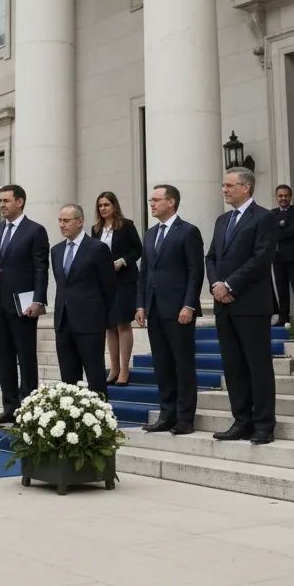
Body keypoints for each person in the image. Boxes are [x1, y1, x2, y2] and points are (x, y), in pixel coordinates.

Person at [206, 167, 278, 445]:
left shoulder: (264, 217)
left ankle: (263, 425)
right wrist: (215, 286)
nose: (224, 189)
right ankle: (241, 420)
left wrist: (230, 285)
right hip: (224, 305)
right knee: (233, 366)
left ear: (246, 188)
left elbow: (261, 258)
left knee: (257, 366)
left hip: (251, 304)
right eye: (224, 185)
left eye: (229, 185)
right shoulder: (222, 220)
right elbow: (211, 257)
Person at [136, 184, 204, 435]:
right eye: (151, 200)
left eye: (156, 200)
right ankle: (167, 413)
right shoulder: (150, 234)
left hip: (179, 311)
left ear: (171, 202)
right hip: (154, 310)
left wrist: (189, 304)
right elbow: (144, 273)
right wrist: (141, 304)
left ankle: (185, 418)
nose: (151, 204)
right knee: (162, 364)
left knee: (183, 364)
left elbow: (195, 272)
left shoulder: (188, 232)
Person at [0, 184, 50, 424]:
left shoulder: (35, 231)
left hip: (23, 305)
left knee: (26, 357)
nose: (1, 205)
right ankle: (9, 407)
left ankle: (28, 407)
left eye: (6, 201)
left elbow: (41, 268)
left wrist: (39, 300)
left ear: (20, 202)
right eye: (0, 201)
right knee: (3, 357)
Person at [51, 204, 115, 396]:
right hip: (63, 322)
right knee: (68, 379)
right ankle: (73, 421)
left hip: (89, 323)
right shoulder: (56, 250)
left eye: (66, 221)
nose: (62, 225)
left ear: (80, 222)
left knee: (95, 376)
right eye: (60, 221)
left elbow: (109, 287)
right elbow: (62, 284)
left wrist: (102, 319)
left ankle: (101, 419)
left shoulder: (97, 249)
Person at [91, 191, 143, 386]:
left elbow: (138, 249)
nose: (103, 208)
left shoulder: (126, 225)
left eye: (106, 205)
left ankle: (125, 369)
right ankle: (113, 368)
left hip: (124, 280)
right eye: (100, 205)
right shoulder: (96, 229)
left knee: (122, 323)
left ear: (114, 206)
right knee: (109, 325)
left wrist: (122, 261)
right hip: (104, 283)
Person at [272, 184, 294, 326]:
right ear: (276, 197)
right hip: (278, 257)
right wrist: (280, 231)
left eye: (286, 195)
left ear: (290, 197)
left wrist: (277, 233)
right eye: (280, 196)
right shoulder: (272, 214)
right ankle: (283, 317)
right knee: (281, 288)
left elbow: (293, 230)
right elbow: (269, 232)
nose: (283, 198)